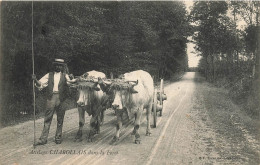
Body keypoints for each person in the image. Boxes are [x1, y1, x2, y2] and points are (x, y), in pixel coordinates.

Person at [32, 58, 76, 145]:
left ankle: (58, 137)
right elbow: (40, 84)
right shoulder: (49, 75)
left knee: (60, 119)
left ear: (62, 67)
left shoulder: (65, 75)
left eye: (60, 65)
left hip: (61, 98)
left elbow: (71, 83)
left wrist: (72, 78)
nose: (58, 67)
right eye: (57, 65)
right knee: (47, 118)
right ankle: (43, 139)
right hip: (51, 98)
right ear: (54, 66)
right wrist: (35, 79)